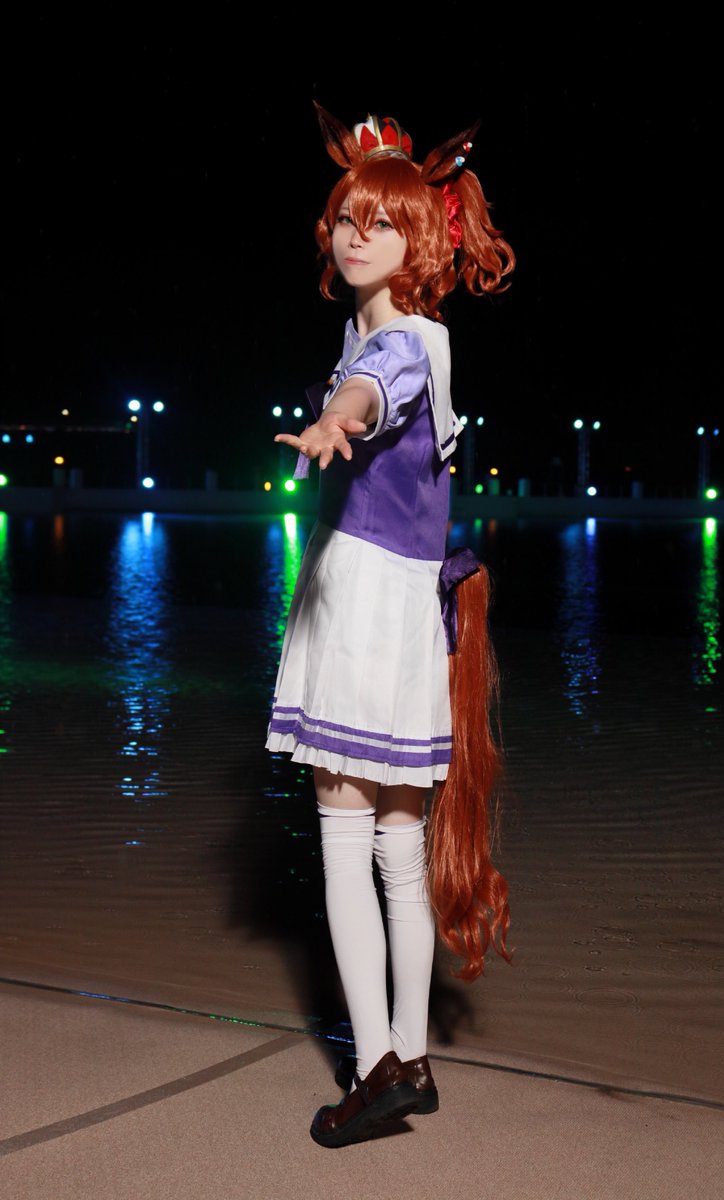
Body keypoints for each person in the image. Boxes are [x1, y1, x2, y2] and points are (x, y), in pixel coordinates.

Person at [265, 103, 515, 1148]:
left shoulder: (403, 343)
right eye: (345, 217)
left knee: (343, 837)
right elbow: (372, 377)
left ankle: (375, 1070)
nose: (355, 235)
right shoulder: (391, 334)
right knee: (400, 849)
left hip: (368, 601)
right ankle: (408, 1058)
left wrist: (339, 415)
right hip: (403, 606)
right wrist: (344, 400)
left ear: (422, 239)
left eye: (381, 221)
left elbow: (378, 392)